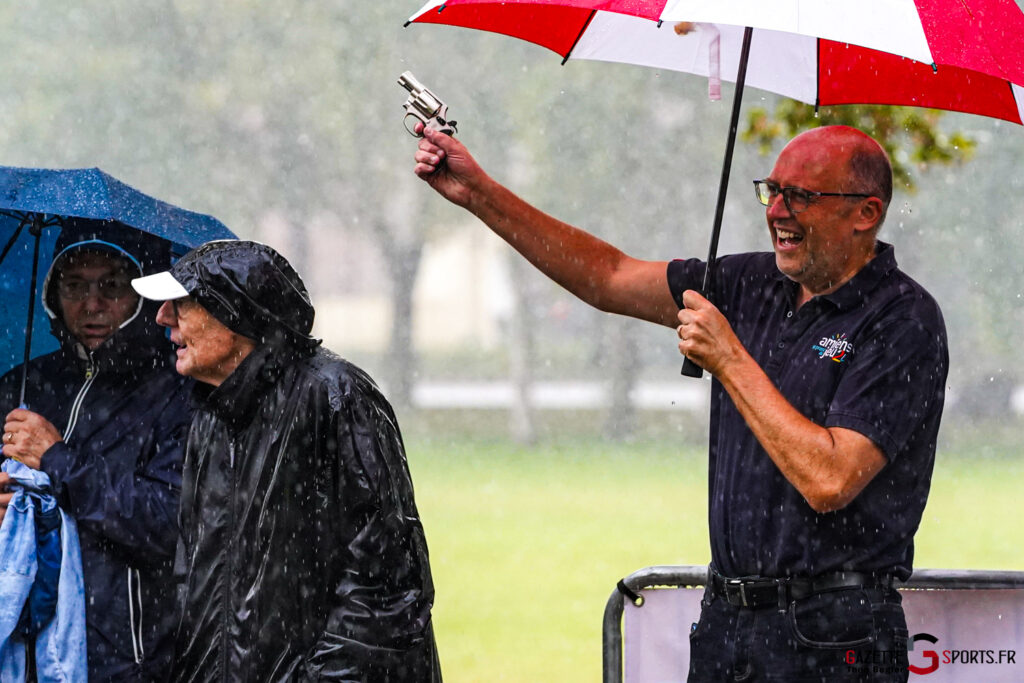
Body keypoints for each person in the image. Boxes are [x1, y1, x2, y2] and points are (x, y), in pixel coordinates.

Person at [413, 124, 947, 682]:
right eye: (773, 190)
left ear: (866, 213)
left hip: (836, 635)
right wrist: (479, 192)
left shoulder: (904, 320)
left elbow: (830, 479)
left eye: (804, 196)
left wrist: (729, 358)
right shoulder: (746, 282)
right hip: (726, 623)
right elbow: (608, 277)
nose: (779, 211)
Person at [130, 239, 441, 682]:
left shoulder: (336, 397)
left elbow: (384, 585)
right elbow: (195, 581)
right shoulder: (210, 415)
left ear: (234, 315)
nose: (162, 318)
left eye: (181, 304)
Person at [0, 219, 192, 681]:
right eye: (73, 285)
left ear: (144, 293)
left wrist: (58, 460)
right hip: (19, 650)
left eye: (112, 285)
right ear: (51, 293)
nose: (91, 304)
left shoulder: (179, 392)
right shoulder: (21, 384)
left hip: (125, 659)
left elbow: (170, 523)